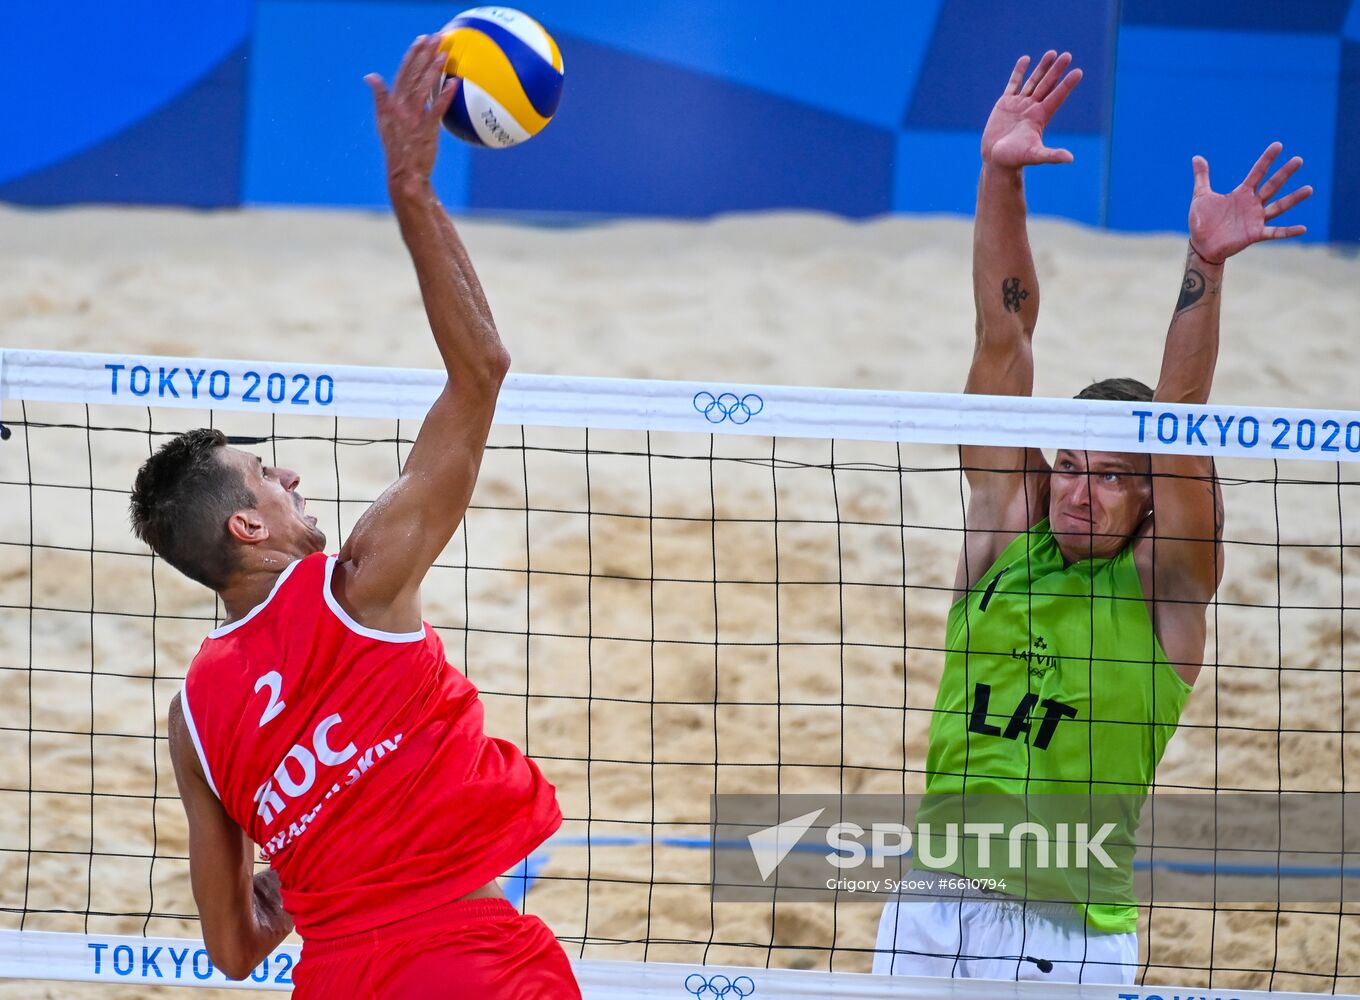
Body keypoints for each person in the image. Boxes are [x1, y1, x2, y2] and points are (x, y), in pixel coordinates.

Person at [129, 35, 581, 999]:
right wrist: (413, 190)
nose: (288, 474)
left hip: (336, 978)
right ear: (246, 529)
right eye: (264, 476)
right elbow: (482, 370)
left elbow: (235, 949)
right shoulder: (354, 589)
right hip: (468, 963)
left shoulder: (192, 717)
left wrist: (316, 857)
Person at [873, 50, 1311, 983]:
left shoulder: (1167, 589)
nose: (1078, 491)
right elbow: (1005, 336)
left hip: (1064, 936)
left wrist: (1204, 264)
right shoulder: (1006, 536)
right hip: (927, 910)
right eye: (1069, 465)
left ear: (1152, 498)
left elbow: (1180, 419)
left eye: (1112, 475)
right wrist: (999, 176)